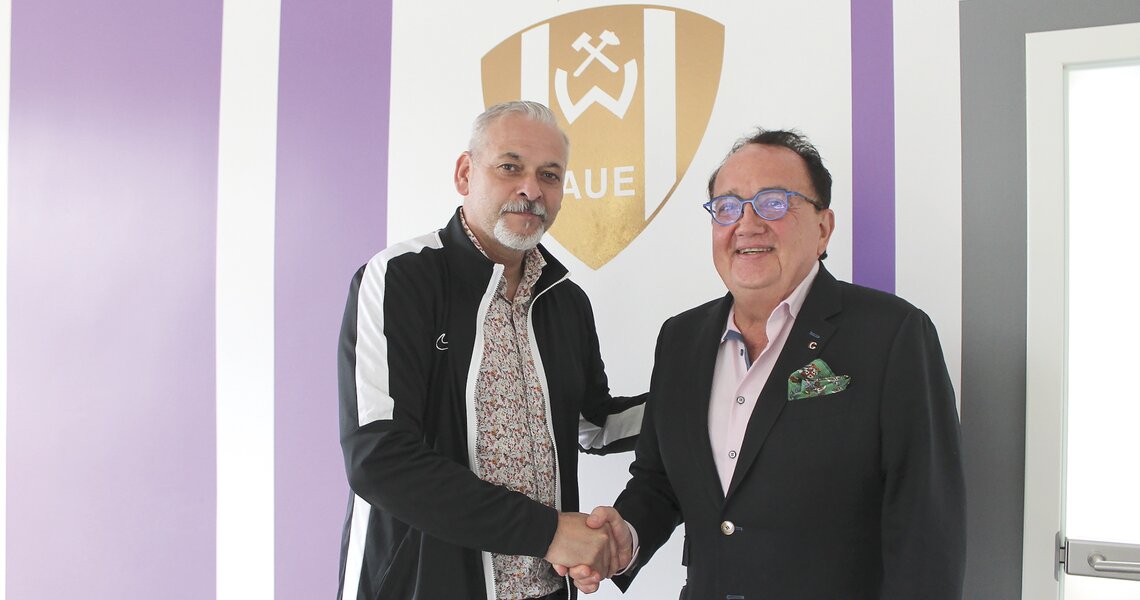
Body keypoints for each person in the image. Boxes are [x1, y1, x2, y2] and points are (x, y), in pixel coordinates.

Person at [571, 129, 966, 598]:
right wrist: (628, 536)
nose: (747, 224)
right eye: (727, 207)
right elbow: (660, 480)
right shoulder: (681, 339)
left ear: (823, 228)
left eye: (773, 203)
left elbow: (925, 530)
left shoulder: (892, 334)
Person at [336, 100, 645, 600]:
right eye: (510, 167)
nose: (531, 190)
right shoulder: (402, 278)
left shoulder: (565, 301)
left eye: (549, 175)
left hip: (543, 589)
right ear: (465, 173)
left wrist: (703, 398)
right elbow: (379, 458)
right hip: (420, 587)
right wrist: (549, 532)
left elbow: (595, 424)